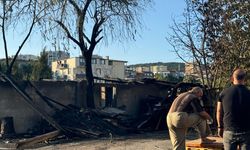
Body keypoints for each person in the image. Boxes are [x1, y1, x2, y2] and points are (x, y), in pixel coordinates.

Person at [216, 68, 250, 150]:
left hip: (229, 131)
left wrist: (220, 127)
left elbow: (219, 111)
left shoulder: (223, 93)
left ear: (232, 78)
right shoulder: (249, 93)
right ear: (244, 79)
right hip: (247, 131)